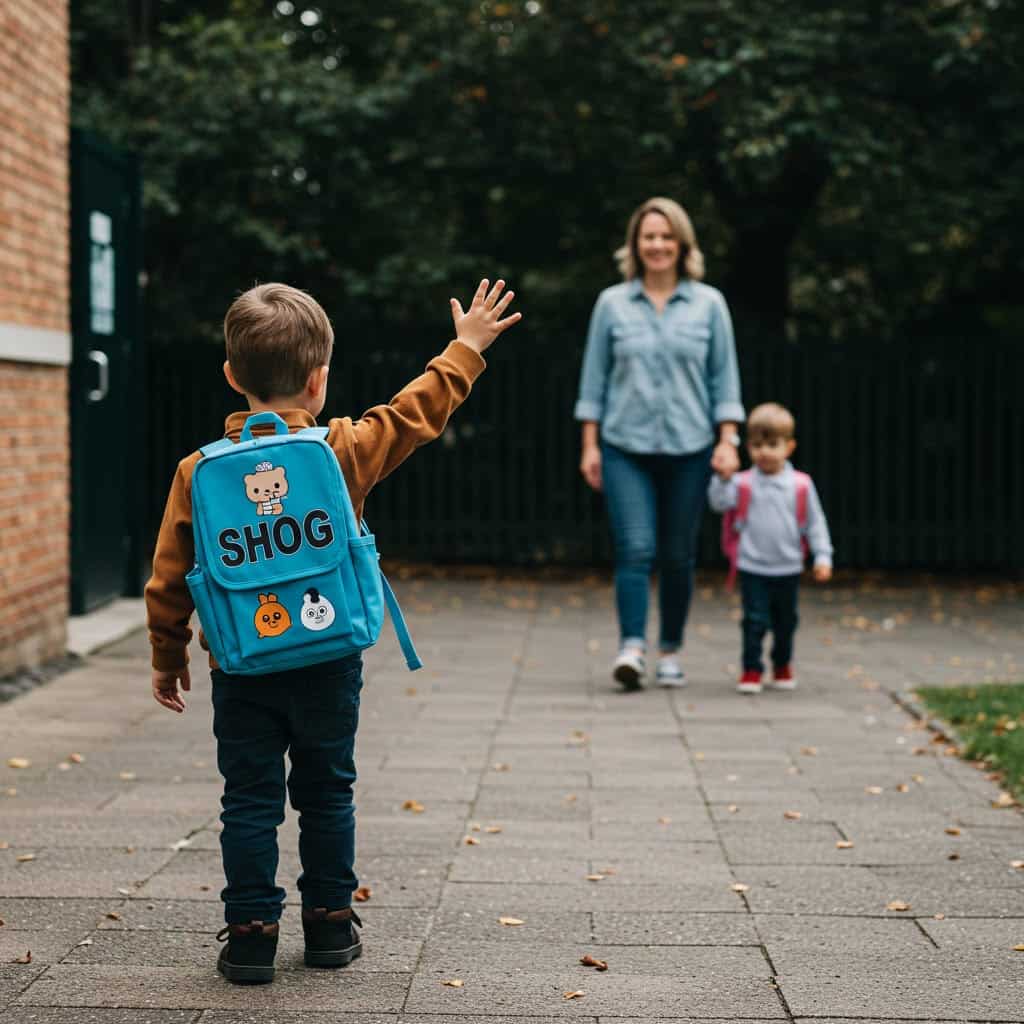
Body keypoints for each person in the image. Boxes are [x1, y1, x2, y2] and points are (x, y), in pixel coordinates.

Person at [144, 279, 520, 983]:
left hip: (242, 665)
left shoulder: (198, 471)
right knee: (327, 793)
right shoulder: (341, 447)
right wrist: (466, 348)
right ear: (319, 381)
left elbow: (169, 577)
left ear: (231, 376)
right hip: (329, 657)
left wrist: (167, 655)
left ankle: (251, 932)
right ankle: (330, 925)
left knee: (248, 799)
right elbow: (414, 414)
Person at [575, 196, 745, 691]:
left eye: (666, 236)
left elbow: (724, 381)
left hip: (691, 448)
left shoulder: (710, 304)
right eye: (649, 236)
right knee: (635, 547)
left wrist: (727, 440)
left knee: (677, 554)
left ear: (682, 244)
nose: (657, 245)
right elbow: (594, 382)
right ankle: (632, 647)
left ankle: (670, 649)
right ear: (635, 245)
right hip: (624, 447)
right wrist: (590, 446)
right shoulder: (611, 304)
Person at [708, 402, 833, 695]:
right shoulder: (742, 483)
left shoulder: (801, 485)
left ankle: (782, 664)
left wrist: (823, 555)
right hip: (753, 566)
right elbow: (718, 503)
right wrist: (722, 477)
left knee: (785, 621)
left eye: (772, 444)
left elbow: (816, 523)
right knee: (754, 621)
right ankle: (752, 668)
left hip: (788, 566)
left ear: (789, 447)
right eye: (757, 445)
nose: (764, 452)